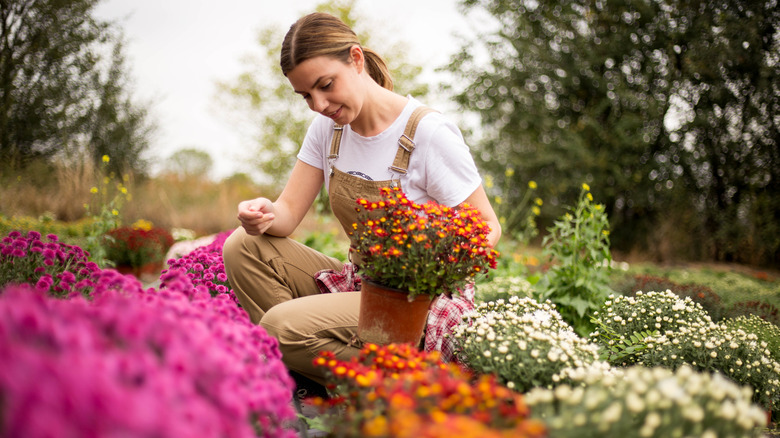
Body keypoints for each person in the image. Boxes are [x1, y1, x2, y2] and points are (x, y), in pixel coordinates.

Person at [222, 11, 501, 389]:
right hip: (362, 284)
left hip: (413, 303)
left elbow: (487, 226)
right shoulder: (328, 129)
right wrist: (262, 213)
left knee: (279, 326)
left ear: (355, 59)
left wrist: (427, 273)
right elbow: (287, 214)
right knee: (243, 246)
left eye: (325, 85)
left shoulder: (427, 133)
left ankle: (416, 386)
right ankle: (317, 364)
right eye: (306, 95)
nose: (318, 104)